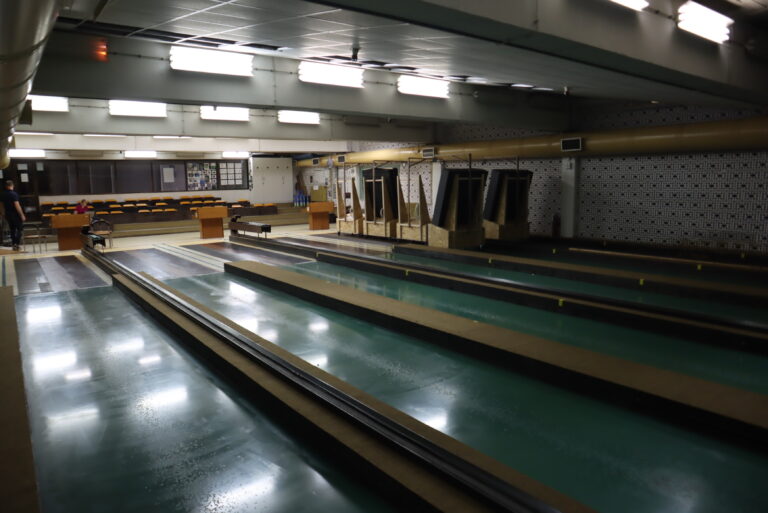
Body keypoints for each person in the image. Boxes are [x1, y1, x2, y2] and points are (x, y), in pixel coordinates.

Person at [0, 180, 25, 251]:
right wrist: (22, 215)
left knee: (12, 230)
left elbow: (1, 205)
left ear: (6, 186)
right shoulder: (14, 194)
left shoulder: (2, 194)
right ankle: (17, 244)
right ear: (12, 185)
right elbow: (17, 205)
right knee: (20, 229)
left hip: (7, 214)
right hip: (15, 214)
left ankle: (14, 244)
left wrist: (3, 214)